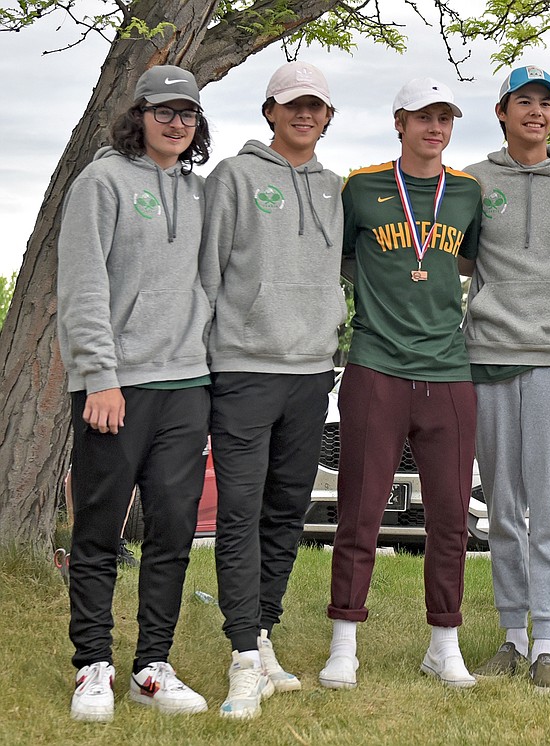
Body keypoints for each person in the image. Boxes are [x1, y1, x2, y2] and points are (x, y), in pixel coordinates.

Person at [57, 64, 212, 722]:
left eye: (188, 114)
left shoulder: (200, 192)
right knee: (99, 532)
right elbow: (84, 283)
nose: (176, 123)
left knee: (173, 530)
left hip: (186, 385)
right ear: (139, 115)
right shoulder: (102, 182)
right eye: (164, 111)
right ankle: (94, 664)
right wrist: (100, 374)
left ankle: (152, 666)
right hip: (116, 388)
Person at [320, 78, 482, 690]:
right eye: (423, 117)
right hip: (376, 364)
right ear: (399, 123)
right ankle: (344, 641)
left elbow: (466, 262)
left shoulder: (466, 193)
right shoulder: (361, 188)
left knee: (449, 517)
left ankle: (444, 643)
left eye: (444, 118)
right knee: (359, 512)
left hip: (448, 370)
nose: (434, 128)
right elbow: (337, 260)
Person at [200, 61, 346, 718]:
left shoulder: (334, 189)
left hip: (311, 373)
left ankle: (262, 636)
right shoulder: (233, 177)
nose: (304, 115)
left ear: (328, 117)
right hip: (243, 368)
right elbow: (205, 276)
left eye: (315, 106)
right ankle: (240, 660)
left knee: (286, 512)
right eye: (292, 105)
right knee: (239, 513)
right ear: (270, 112)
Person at [459, 66, 550, 692]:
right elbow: (455, 256)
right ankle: (511, 635)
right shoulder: (472, 181)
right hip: (488, 353)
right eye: (524, 102)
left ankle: (547, 640)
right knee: (503, 507)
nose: (536, 112)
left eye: (546, 103)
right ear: (502, 110)